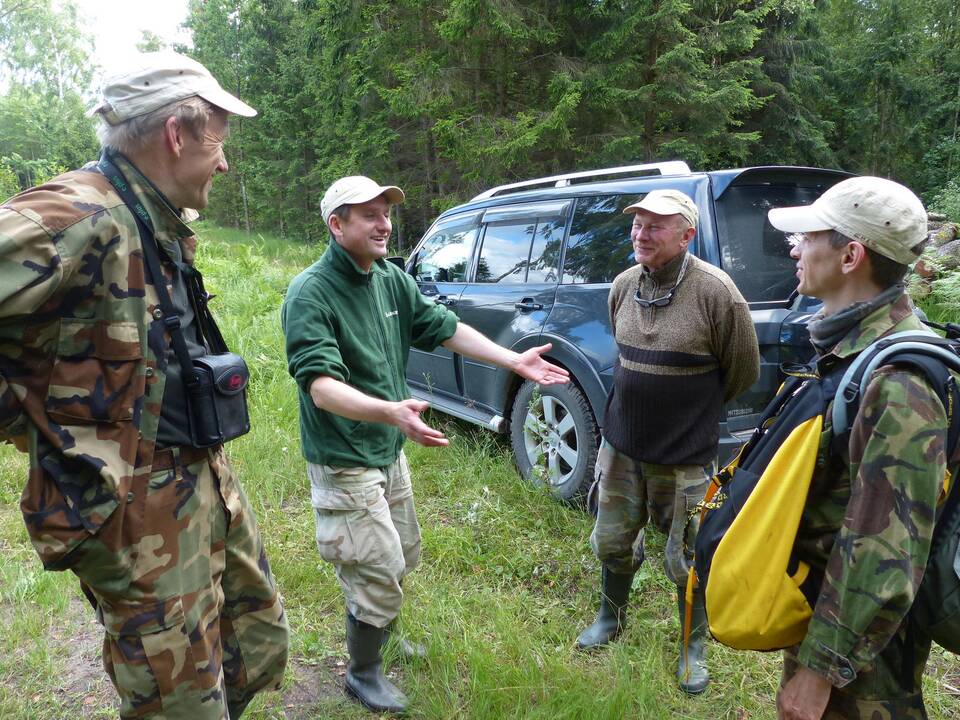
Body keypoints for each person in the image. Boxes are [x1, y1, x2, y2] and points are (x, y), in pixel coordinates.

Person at [0, 52, 288, 719]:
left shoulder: (150, 218)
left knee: (257, 645)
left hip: (199, 478)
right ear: (177, 133)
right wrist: (24, 410)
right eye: (218, 137)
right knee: (180, 703)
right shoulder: (77, 216)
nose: (225, 162)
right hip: (129, 513)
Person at [281, 175, 569, 714]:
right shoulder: (311, 292)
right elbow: (321, 388)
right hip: (345, 458)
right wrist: (389, 410)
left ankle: (383, 638)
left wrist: (512, 360)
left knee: (400, 555)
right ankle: (363, 674)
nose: (384, 223)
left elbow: (444, 327)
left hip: (388, 448)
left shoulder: (389, 279)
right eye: (367, 214)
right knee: (375, 565)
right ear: (336, 224)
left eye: (385, 212)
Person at [767, 177, 947, 720]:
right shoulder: (854, 350)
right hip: (837, 619)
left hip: (864, 658)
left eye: (807, 236)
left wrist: (820, 672)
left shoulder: (899, 381)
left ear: (851, 256)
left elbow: (883, 548)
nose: (795, 247)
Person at [576, 189, 760, 694]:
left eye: (655, 225)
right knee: (611, 540)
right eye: (637, 224)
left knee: (690, 555)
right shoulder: (622, 285)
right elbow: (622, 348)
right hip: (621, 448)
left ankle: (691, 648)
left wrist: (689, 414)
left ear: (686, 234)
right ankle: (610, 620)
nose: (640, 234)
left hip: (688, 457)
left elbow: (742, 371)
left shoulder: (717, 292)